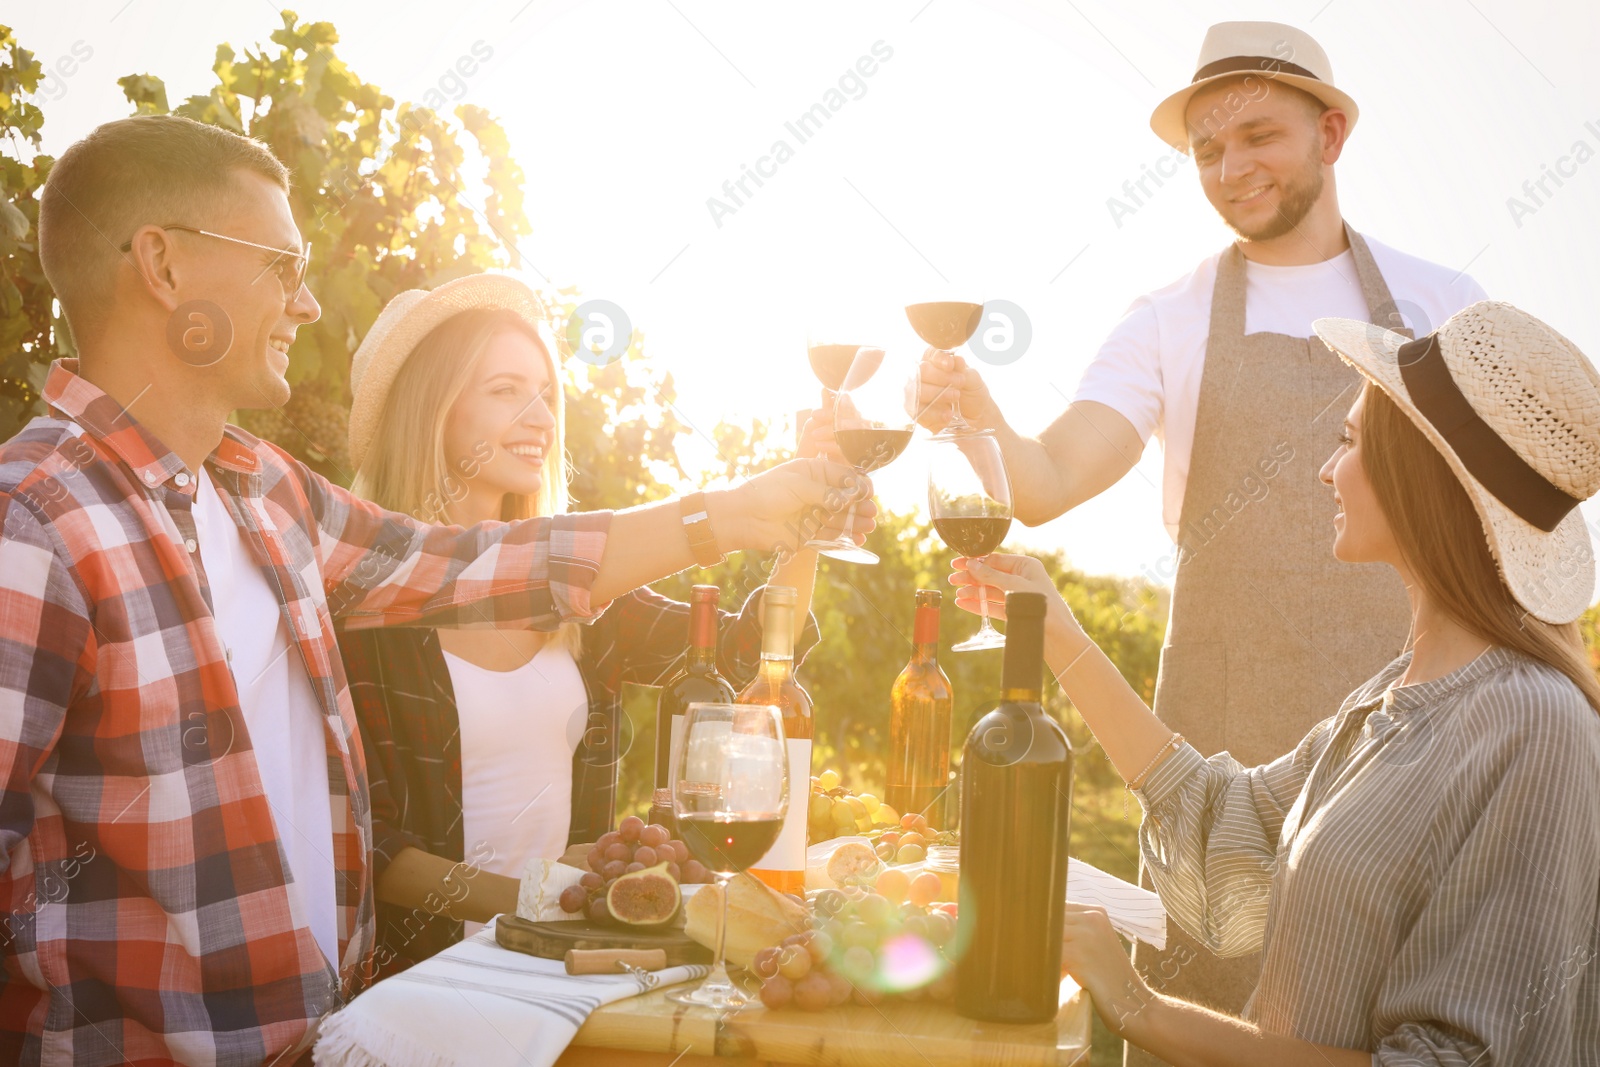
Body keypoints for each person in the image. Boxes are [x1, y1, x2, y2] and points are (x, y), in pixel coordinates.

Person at [0, 113, 869, 1065]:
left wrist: (739, 514)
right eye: (281, 267)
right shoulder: (36, 524)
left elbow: (474, 565)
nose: (306, 306)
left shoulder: (263, 492)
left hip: (335, 1040)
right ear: (164, 269)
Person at [912, 20, 1490, 1042]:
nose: (1232, 169)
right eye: (1208, 150)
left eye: (1259, 136)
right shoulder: (1168, 316)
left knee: (1389, 1028)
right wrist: (976, 414)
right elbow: (1045, 480)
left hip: (1407, 751)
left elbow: (1497, 536)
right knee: (1195, 1028)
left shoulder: (1446, 306)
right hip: (1210, 770)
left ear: (1332, 132)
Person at [948, 301, 1600, 1065]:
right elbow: (1229, 826)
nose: (1327, 468)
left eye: (1349, 440)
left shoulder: (1536, 727)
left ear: (1420, 473)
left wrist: (1138, 1006)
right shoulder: (1390, 695)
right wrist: (1057, 631)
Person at [335, 274, 842, 968]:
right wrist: (536, 898)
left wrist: (807, 525)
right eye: (505, 390)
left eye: (545, 393)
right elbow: (369, 847)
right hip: (426, 976)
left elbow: (747, 658)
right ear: (432, 408)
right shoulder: (364, 603)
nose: (540, 416)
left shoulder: (574, 594)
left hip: (559, 967)